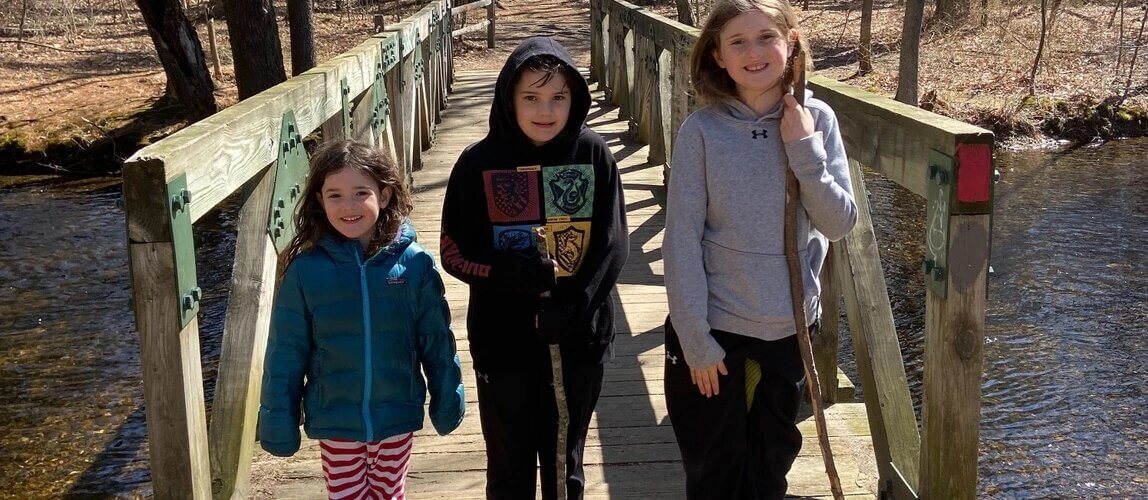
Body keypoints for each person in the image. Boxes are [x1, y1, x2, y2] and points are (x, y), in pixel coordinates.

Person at [662, 0, 859, 498]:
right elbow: (681, 238)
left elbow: (838, 225)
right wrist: (695, 340)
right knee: (713, 474)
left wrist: (805, 152)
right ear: (718, 57)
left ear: (790, 42)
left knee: (769, 473)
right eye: (738, 42)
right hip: (715, 332)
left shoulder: (818, 119)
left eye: (766, 37)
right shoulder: (701, 131)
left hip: (789, 328)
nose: (754, 52)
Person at [439, 36, 629, 499]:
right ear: (509, 98)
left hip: (578, 338)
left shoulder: (593, 154)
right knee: (509, 463)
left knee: (567, 462)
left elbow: (612, 244)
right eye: (531, 97)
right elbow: (453, 251)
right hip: (503, 342)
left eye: (558, 97)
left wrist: (575, 306)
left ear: (574, 99)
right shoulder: (476, 163)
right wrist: (508, 273)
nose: (545, 110)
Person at [258, 140, 465, 500]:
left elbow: (436, 339)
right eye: (334, 195)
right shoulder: (306, 270)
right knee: (347, 495)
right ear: (320, 201)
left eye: (360, 193)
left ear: (384, 196)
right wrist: (279, 418)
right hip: (336, 416)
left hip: (396, 408)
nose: (348, 206)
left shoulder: (414, 263)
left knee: (389, 492)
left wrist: (447, 396)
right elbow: (285, 351)